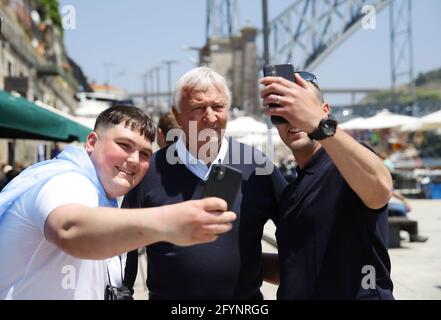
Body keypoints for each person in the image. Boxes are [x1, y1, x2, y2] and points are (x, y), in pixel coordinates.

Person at [0, 105, 236, 300]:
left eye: (144, 154)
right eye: (124, 146)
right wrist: (168, 222)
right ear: (92, 142)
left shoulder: (100, 194)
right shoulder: (67, 180)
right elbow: (69, 228)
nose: (134, 160)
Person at [122, 67, 286, 300]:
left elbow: (295, 228)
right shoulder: (149, 172)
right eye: (198, 109)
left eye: (218, 107)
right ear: (177, 115)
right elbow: (124, 243)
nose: (210, 118)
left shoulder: (258, 167)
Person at [260, 71, 394, 299]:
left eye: (301, 108)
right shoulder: (292, 190)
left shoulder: (345, 166)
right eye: (281, 113)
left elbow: (380, 188)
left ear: (324, 110)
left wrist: (319, 125)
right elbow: (296, 270)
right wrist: (236, 257)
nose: (293, 119)